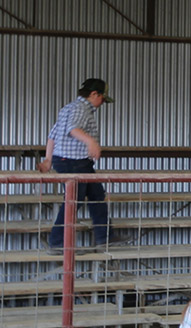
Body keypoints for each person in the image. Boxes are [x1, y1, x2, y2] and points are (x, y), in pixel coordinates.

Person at [37, 78, 129, 253]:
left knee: (96, 195)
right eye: (102, 98)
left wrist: (48, 159)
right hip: (73, 161)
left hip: (71, 160)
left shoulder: (68, 108)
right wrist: (91, 142)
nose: (102, 103)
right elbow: (73, 128)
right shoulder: (82, 109)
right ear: (94, 94)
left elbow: (53, 135)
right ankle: (57, 242)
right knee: (74, 200)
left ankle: (105, 237)